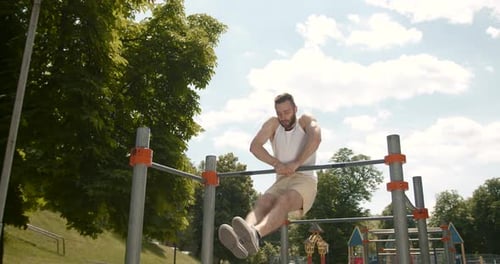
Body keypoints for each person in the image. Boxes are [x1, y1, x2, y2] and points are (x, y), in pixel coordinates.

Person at [218, 92, 322, 259]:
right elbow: (255, 146)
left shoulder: (305, 120)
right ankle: (243, 237)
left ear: (295, 109)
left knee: (284, 200)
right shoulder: (274, 124)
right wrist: (276, 163)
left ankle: (255, 234)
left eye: (287, 112)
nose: (283, 117)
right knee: (264, 201)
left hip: (305, 179)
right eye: (279, 113)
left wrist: (297, 163)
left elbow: (316, 138)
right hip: (282, 179)